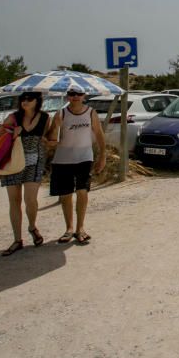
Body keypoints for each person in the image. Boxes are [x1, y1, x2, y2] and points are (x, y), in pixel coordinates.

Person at [45, 86, 106, 244]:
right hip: (63, 159)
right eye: (72, 94)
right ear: (67, 96)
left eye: (79, 94)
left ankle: (80, 228)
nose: (75, 97)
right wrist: (54, 128)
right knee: (65, 195)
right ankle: (69, 228)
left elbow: (99, 134)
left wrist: (102, 156)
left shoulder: (91, 113)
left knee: (82, 191)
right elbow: (51, 138)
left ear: (84, 95)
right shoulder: (61, 113)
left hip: (84, 157)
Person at [0, 90, 49, 256]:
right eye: (23, 99)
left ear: (37, 101)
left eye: (29, 99)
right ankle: (17, 239)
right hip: (13, 162)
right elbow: (1, 137)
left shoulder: (44, 117)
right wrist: (13, 135)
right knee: (14, 200)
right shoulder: (13, 118)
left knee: (31, 200)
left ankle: (32, 226)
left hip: (34, 162)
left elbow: (47, 137)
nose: (25, 101)